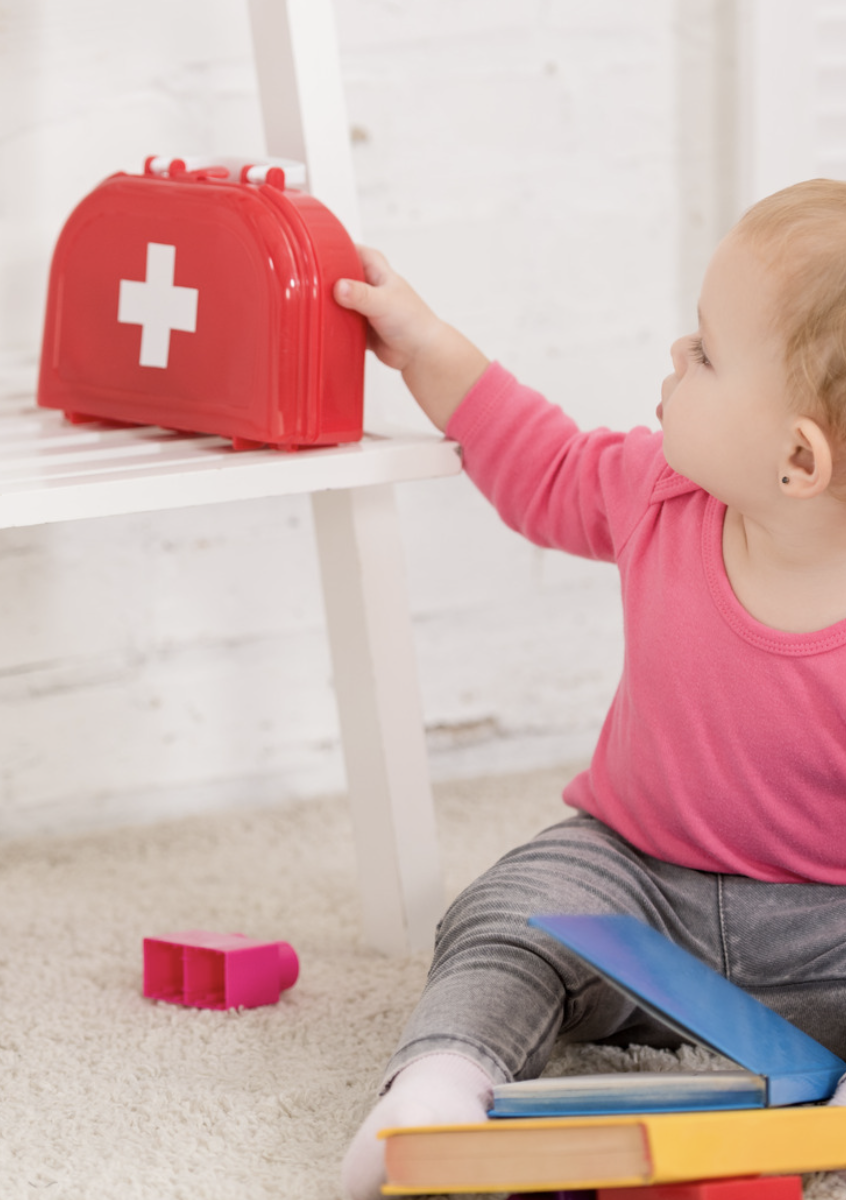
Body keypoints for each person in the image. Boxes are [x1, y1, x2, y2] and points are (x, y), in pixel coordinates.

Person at [333, 178, 846, 1200]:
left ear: (797, 456)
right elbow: (544, 461)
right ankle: (440, 1088)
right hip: (636, 882)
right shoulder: (660, 491)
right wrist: (427, 346)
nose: (676, 353)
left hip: (825, 928)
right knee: (513, 910)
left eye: (707, 353)